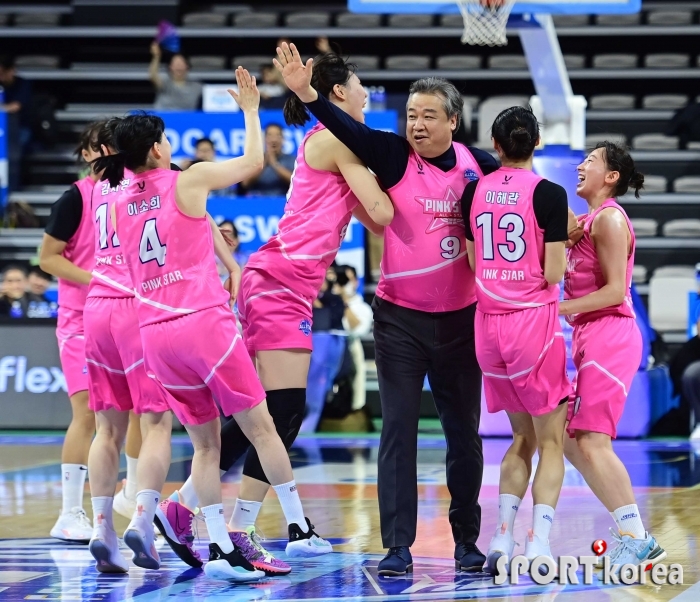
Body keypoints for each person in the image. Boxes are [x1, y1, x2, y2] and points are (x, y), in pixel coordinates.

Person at [98, 68, 332, 582]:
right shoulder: (189, 178)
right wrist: (250, 108)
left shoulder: (115, 202)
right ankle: (299, 527)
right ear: (159, 149)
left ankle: (221, 548)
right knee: (263, 426)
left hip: (154, 332)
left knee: (206, 445)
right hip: (202, 324)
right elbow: (252, 162)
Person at [275, 42, 498, 575]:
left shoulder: (480, 167)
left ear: (453, 121)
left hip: (463, 319)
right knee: (397, 429)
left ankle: (467, 541)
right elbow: (344, 128)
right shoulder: (393, 154)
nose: (416, 125)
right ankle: (398, 546)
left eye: (428, 117)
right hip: (400, 319)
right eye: (410, 115)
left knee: (463, 435)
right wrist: (307, 94)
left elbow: (524, 193)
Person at [171, 52, 393, 575]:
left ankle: (182, 510)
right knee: (281, 412)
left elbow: (369, 214)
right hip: (278, 282)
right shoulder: (336, 140)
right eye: (361, 84)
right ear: (338, 92)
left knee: (268, 416)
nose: (366, 92)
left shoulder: (334, 143)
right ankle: (235, 524)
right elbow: (383, 213)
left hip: (284, 283)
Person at [462, 106, 571, 571]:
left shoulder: (473, 191)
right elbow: (554, 272)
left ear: (496, 144)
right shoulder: (550, 193)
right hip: (532, 325)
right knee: (551, 442)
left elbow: (471, 263)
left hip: (487, 328)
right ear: (537, 142)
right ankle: (539, 543)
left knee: (519, 438)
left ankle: (501, 538)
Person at [560, 141, 666, 573]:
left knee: (591, 441)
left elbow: (614, 291)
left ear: (611, 177)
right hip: (589, 334)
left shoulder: (608, 220)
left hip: (611, 333)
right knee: (569, 440)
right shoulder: (586, 220)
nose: (581, 164)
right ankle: (632, 532)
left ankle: (637, 538)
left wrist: (552, 310)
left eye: (592, 160)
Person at [82, 118, 177, 573]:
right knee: (157, 424)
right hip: (138, 307)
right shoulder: (153, 185)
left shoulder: (98, 185)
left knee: (106, 429)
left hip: (96, 306)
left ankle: (101, 526)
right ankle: (142, 520)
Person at [39, 121, 106, 542]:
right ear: (86, 154)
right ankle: (68, 513)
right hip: (81, 318)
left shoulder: (133, 196)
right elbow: (47, 258)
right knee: (86, 413)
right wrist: (98, 280)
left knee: (137, 414)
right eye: (102, 148)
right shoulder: (74, 198)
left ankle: (130, 503)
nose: (111, 154)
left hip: (123, 317)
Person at [338, 265, 373, 413]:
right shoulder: (323, 300)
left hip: (349, 344)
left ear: (355, 282)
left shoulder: (362, 307)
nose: (344, 283)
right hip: (324, 345)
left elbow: (358, 329)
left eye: (348, 279)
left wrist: (342, 303)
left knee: (355, 353)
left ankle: (356, 408)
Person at [0, 55, 33, 192]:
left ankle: (14, 184)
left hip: (20, 128)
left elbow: (16, 106)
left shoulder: (23, 85)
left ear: (11, 71)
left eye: (1, 73)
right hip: (2, 129)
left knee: (18, 143)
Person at [241, 123, 295, 196]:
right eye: (270, 135)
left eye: (278, 136)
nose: (274, 140)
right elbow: (245, 183)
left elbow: (295, 182)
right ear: (264, 139)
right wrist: (264, 162)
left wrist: (274, 164)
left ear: (283, 139)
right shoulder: (255, 160)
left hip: (283, 200)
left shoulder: (291, 160)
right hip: (257, 201)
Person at [149, 42, 202, 111]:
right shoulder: (165, 84)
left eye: (181, 63)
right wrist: (156, 56)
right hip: (164, 119)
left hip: (187, 120)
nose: (178, 66)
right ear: (170, 67)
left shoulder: (197, 87)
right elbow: (153, 76)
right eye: (176, 64)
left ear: (187, 66)